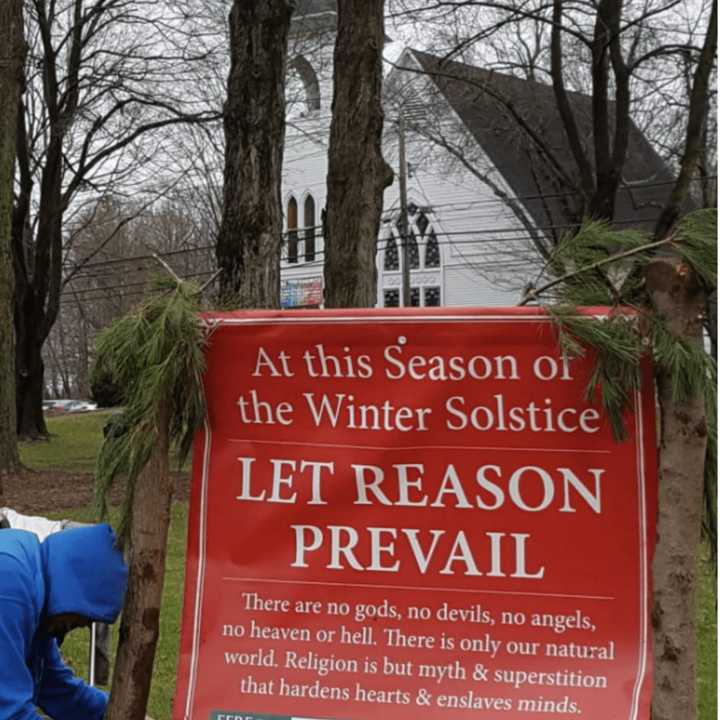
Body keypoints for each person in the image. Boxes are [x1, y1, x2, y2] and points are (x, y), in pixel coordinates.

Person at [0, 523, 128, 719]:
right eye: (84, 616)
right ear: (74, 588)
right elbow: (10, 712)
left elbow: (55, 688)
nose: (82, 624)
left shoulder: (38, 579)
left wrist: (126, 713)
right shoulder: (9, 582)